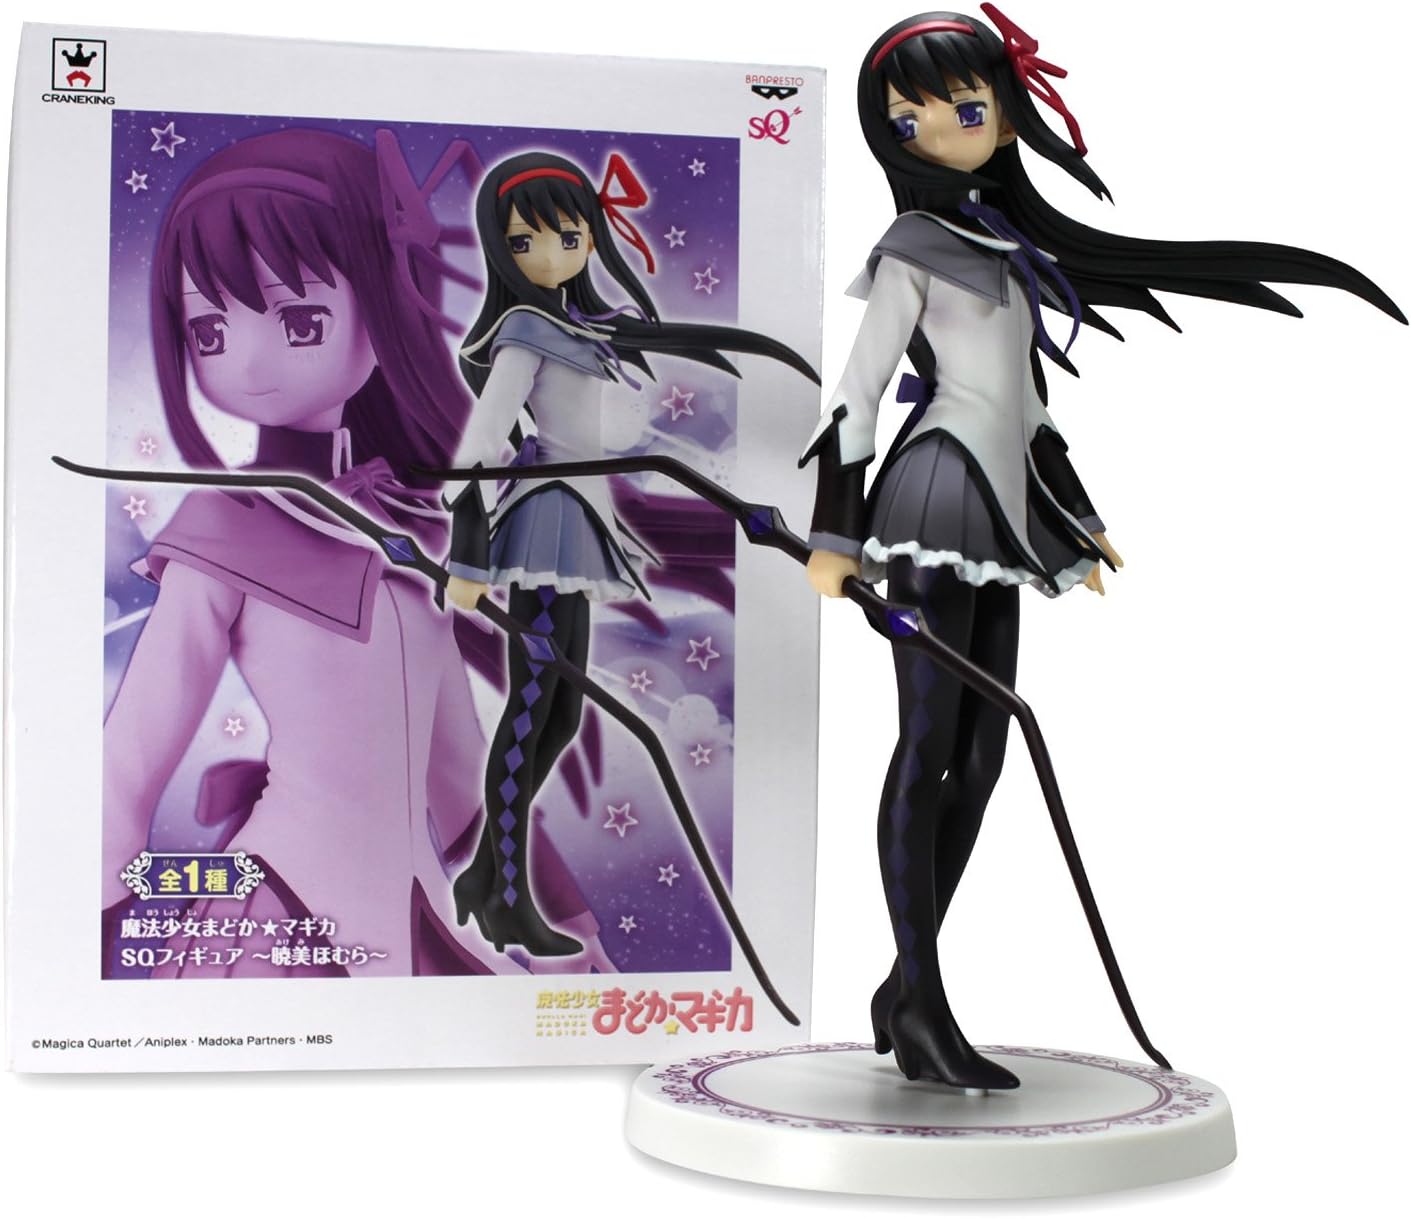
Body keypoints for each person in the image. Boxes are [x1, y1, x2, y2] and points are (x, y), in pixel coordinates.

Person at [802, 7, 1405, 1087]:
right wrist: (833, 534)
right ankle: (923, 1002)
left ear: (1004, 120)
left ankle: (903, 980)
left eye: (962, 111)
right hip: (933, 498)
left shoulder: (1006, 248)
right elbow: (855, 393)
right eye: (906, 120)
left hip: (999, 507)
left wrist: (1075, 514)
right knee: (926, 742)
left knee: (982, 756)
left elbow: (1026, 406)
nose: (933, 132)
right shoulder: (909, 251)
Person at [104, 128, 602, 978]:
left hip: (412, 919)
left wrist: (568, 922)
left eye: (300, 320)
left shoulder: (416, 523)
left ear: (386, 308)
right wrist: (86, 937)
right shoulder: (223, 526)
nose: (249, 363)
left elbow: (459, 776)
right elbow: (130, 759)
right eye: (210, 331)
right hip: (278, 920)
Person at [445, 150, 819, 956]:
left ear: (589, 236)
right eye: (523, 243)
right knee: (534, 708)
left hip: (581, 514)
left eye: (567, 236)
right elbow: (481, 441)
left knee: (560, 714)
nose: (549, 256)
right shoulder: (524, 332)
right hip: (547, 520)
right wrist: (465, 554)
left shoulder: (579, 325)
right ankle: (505, 893)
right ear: (501, 251)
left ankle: (482, 871)